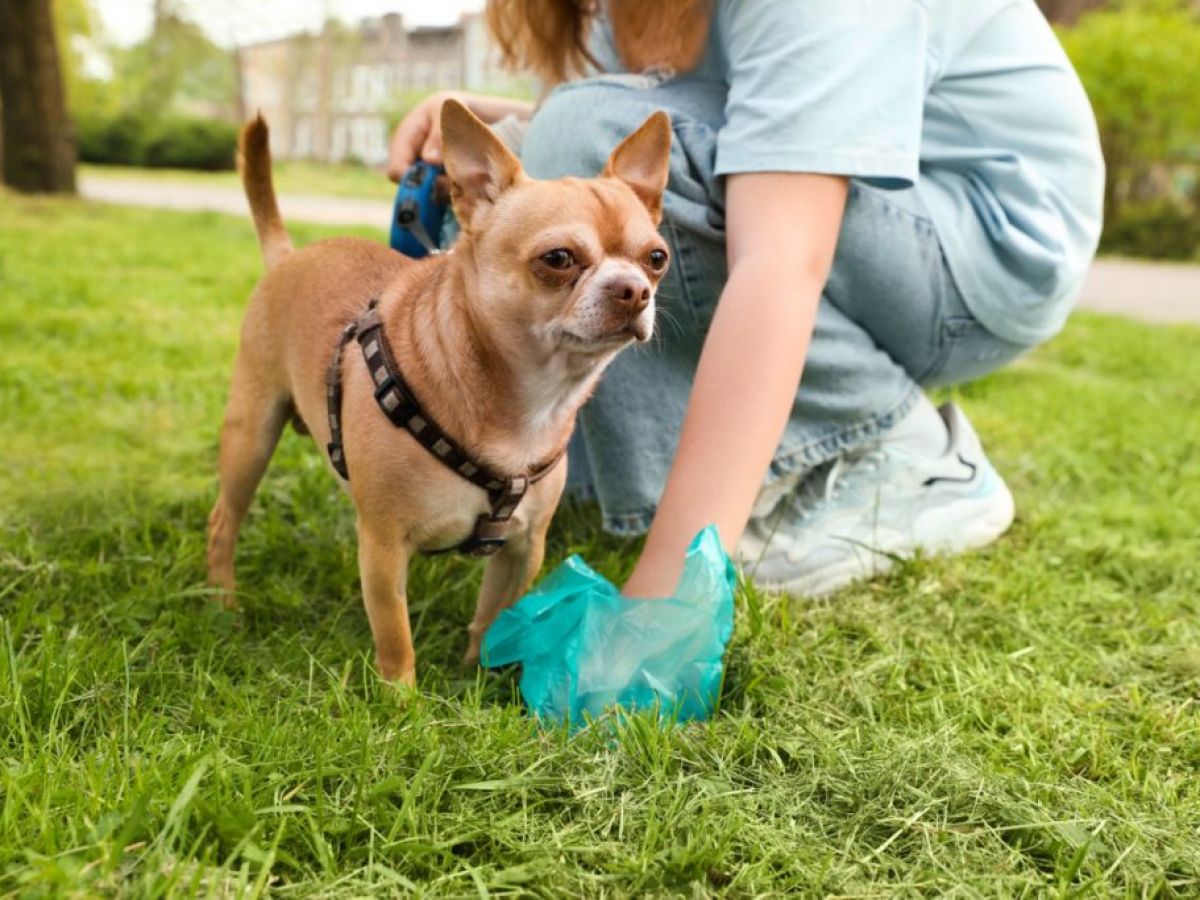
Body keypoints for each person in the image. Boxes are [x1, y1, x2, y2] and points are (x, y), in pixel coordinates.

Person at [387, 0, 1105, 599]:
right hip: (896, 228)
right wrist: (501, 122)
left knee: (582, 130)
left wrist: (667, 594)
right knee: (539, 147)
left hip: (984, 251)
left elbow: (782, 256)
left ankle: (895, 449)